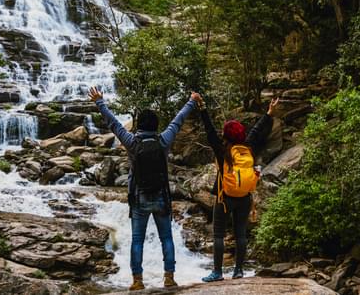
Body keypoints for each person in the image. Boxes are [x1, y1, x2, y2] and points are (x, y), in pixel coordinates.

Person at [89, 86, 199, 291]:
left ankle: (137, 280)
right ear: (156, 126)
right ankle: (169, 278)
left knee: (137, 240)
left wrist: (100, 102)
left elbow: (114, 124)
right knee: (166, 237)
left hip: (139, 198)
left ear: (139, 126)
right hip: (161, 196)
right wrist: (192, 101)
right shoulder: (163, 140)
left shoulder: (132, 142)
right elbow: (178, 120)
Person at [193, 93, 279, 282]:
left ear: (226, 135)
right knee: (240, 233)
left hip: (225, 198)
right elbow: (257, 130)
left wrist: (201, 106)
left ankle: (217, 273)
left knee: (218, 235)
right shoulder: (249, 147)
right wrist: (269, 113)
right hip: (245, 197)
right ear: (241, 135)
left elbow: (209, 131)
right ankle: (238, 271)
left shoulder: (222, 150)